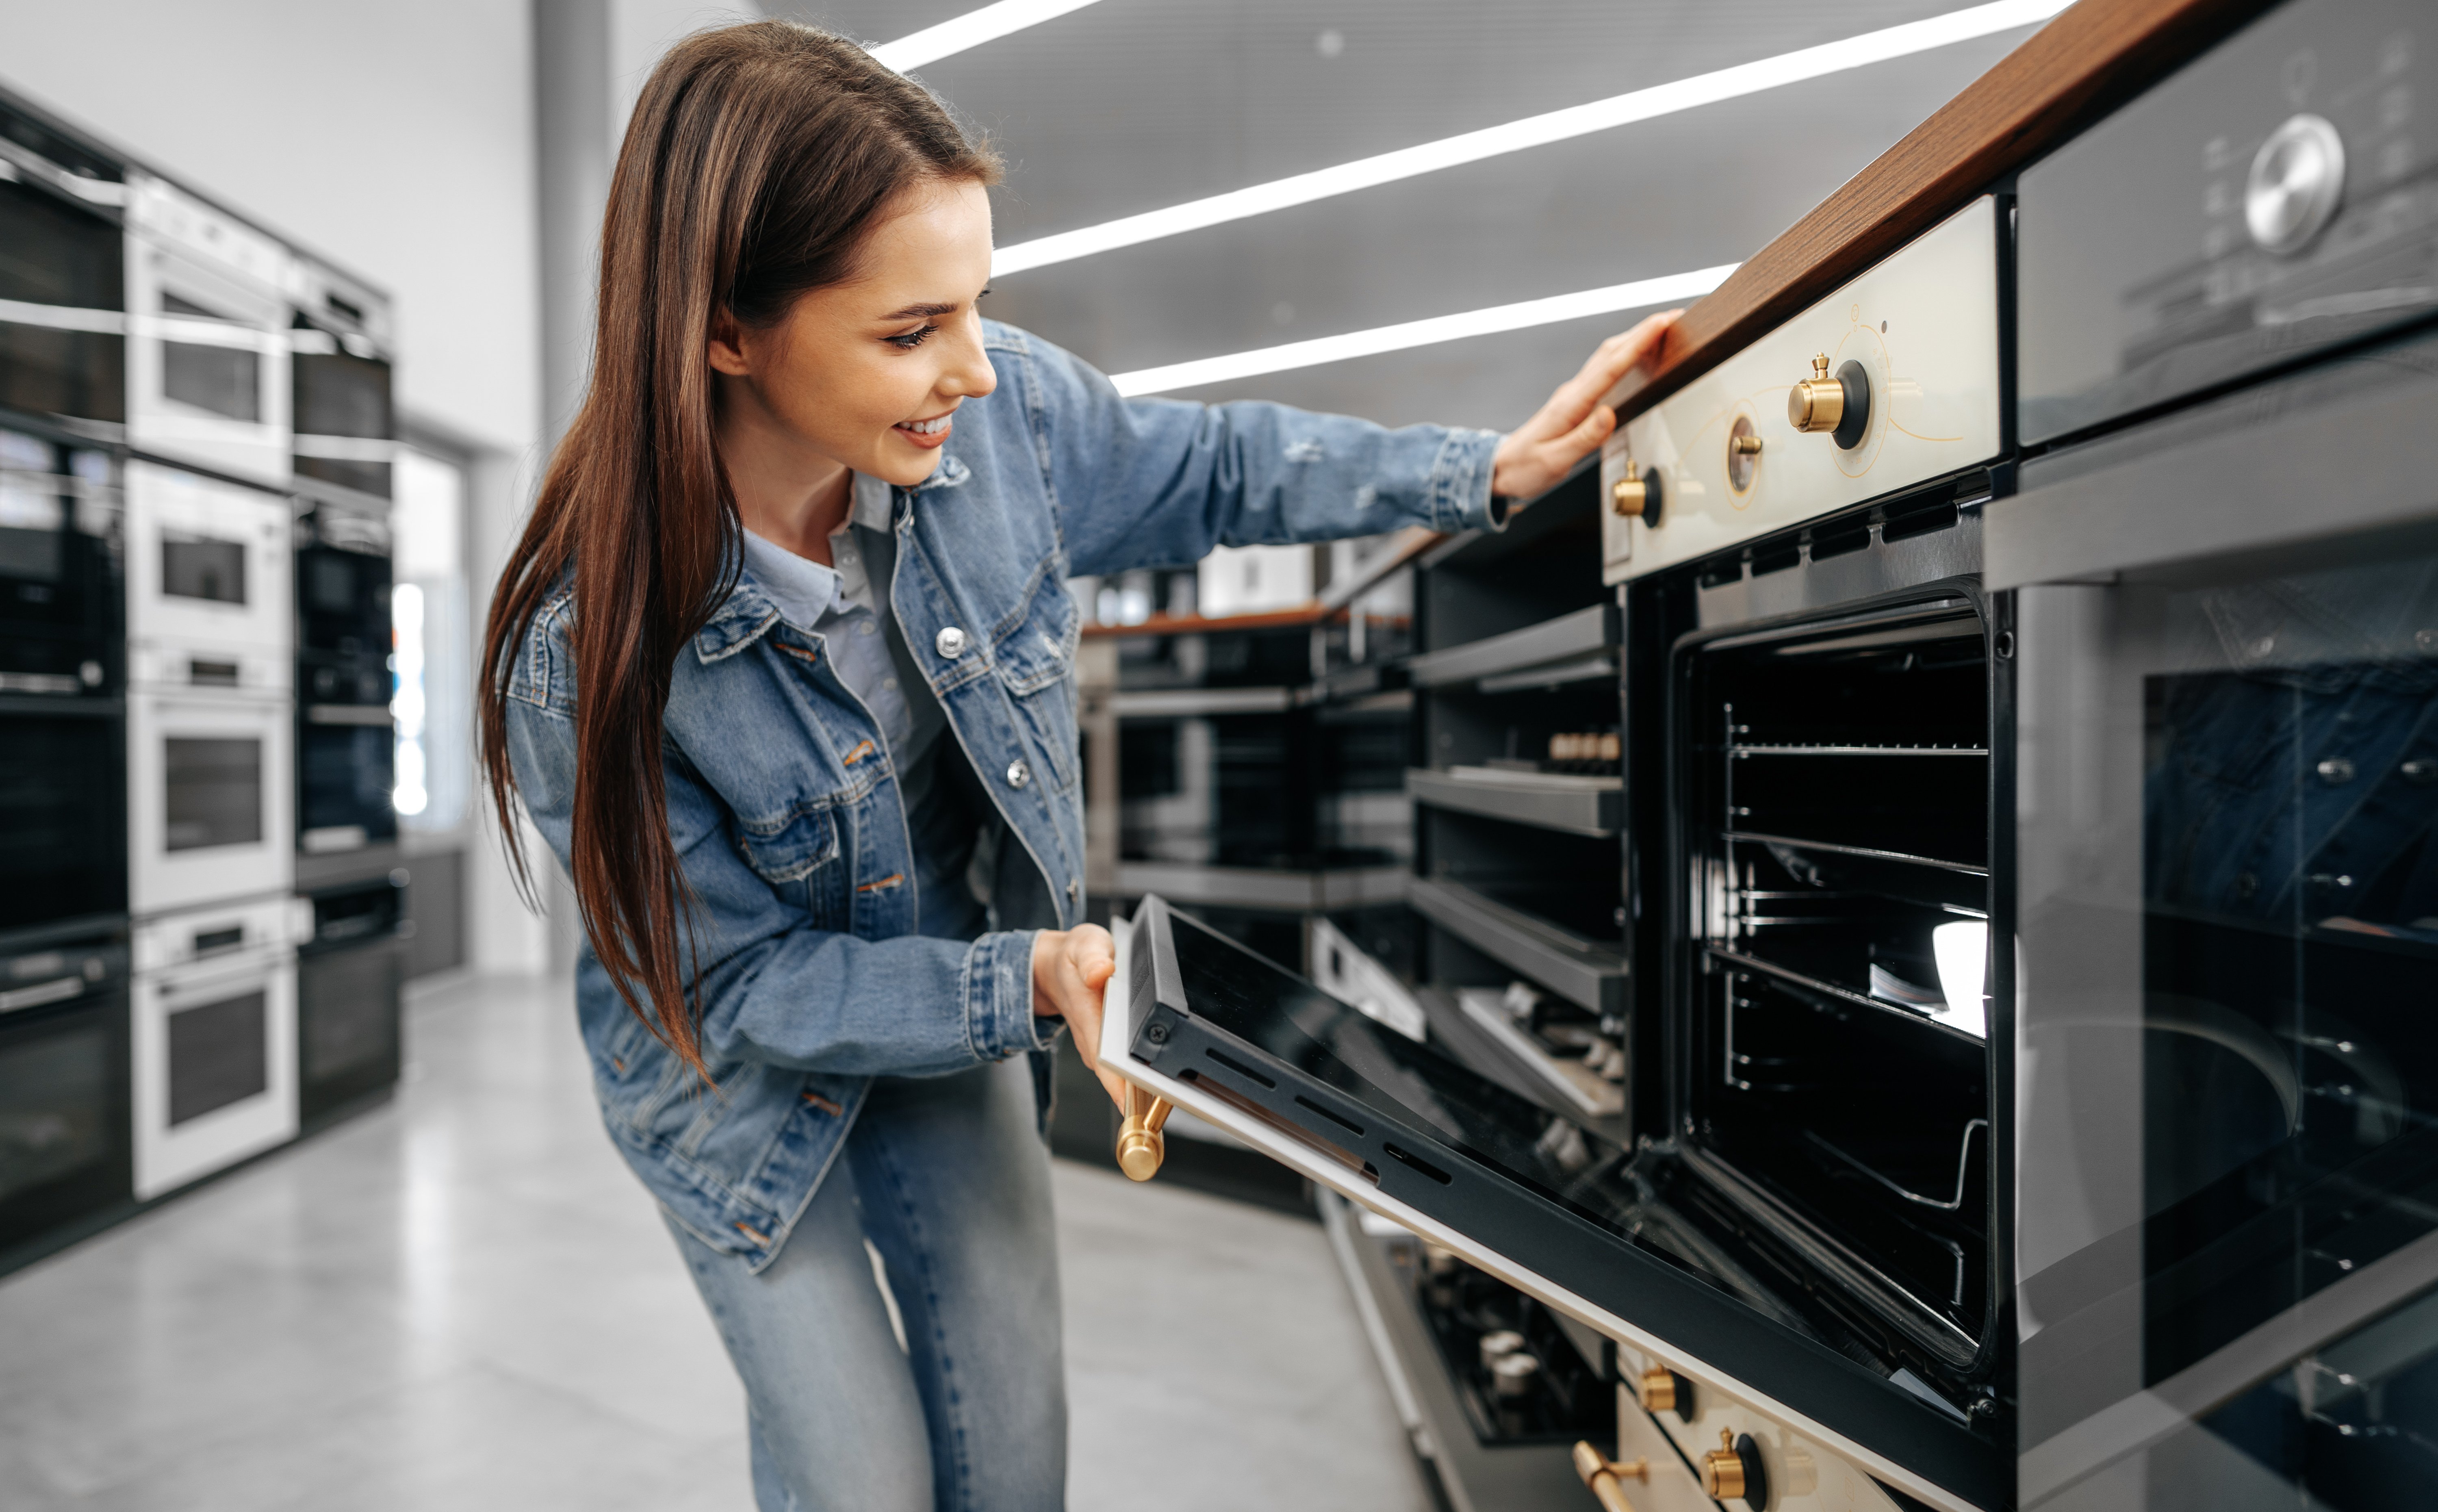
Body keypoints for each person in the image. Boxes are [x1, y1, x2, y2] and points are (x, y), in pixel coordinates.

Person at [478, 20, 1677, 1512]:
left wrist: (1475, 472)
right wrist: (1024, 980)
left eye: (978, 305)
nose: (977, 372)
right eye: (912, 330)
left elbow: (1224, 464)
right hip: (727, 1067)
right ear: (725, 328)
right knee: (864, 1480)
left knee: (1014, 1460)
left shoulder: (1004, 425)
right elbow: (738, 986)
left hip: (946, 968)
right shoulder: (583, 652)